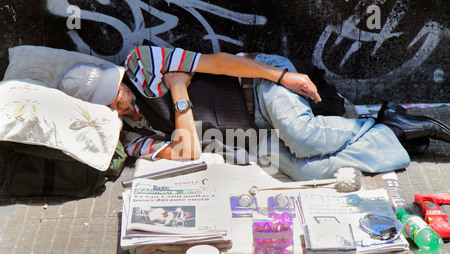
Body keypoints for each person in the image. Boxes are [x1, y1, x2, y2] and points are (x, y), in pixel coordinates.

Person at [58, 46, 450, 181]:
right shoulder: (128, 138)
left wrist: (282, 75)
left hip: (256, 87)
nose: (120, 100)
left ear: (118, 74)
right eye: (109, 103)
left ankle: (369, 123)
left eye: (117, 89)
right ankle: (391, 132)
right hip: (241, 136)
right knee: (306, 170)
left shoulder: (143, 62)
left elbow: (220, 63)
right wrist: (178, 88)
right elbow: (187, 152)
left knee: (305, 138)